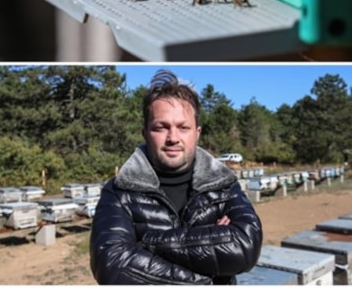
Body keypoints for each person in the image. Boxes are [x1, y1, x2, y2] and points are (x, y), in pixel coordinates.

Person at [90, 69, 262, 284]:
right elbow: (111, 265)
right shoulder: (119, 191)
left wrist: (148, 244)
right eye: (161, 127)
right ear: (145, 133)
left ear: (197, 133)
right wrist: (207, 266)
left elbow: (245, 247)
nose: (173, 138)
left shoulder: (223, 185)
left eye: (183, 127)